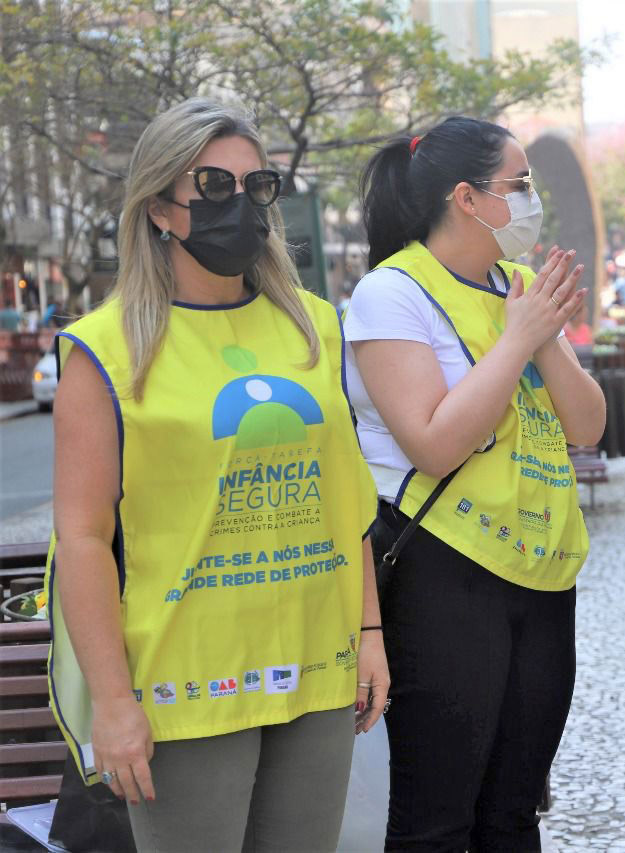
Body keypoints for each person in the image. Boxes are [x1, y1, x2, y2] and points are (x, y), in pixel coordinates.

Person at [47, 97, 384, 850]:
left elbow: (347, 496)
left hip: (313, 666)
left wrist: (368, 630)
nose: (240, 206)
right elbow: (81, 539)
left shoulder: (314, 326)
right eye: (212, 187)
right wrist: (112, 701)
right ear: (161, 207)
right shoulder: (104, 351)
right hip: (185, 686)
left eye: (254, 186)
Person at [349, 116, 605, 850]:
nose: (531, 200)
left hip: (541, 570)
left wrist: (541, 332)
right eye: (517, 185)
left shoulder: (516, 287)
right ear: (466, 197)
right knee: (436, 818)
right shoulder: (391, 292)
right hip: (443, 571)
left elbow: (587, 424)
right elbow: (433, 443)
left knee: (513, 812)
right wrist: (521, 336)